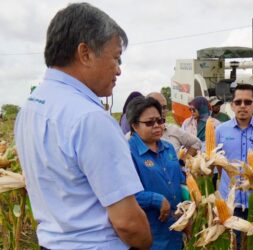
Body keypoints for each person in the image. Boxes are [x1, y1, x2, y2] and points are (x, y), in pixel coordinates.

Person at [14, 3, 152, 250]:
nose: (119, 70)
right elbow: (127, 223)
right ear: (85, 53)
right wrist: (146, 243)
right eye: (115, 58)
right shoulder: (90, 119)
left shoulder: (30, 108)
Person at [215, 83, 253, 248]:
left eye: (247, 102)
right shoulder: (220, 131)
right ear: (231, 105)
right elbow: (218, 165)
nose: (243, 106)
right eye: (238, 102)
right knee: (231, 245)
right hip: (229, 204)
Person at [127, 96, 184, 250]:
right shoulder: (127, 152)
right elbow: (125, 195)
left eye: (160, 120)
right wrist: (156, 199)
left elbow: (180, 180)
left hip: (177, 230)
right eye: (150, 122)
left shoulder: (169, 148)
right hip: (151, 235)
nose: (157, 126)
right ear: (134, 125)